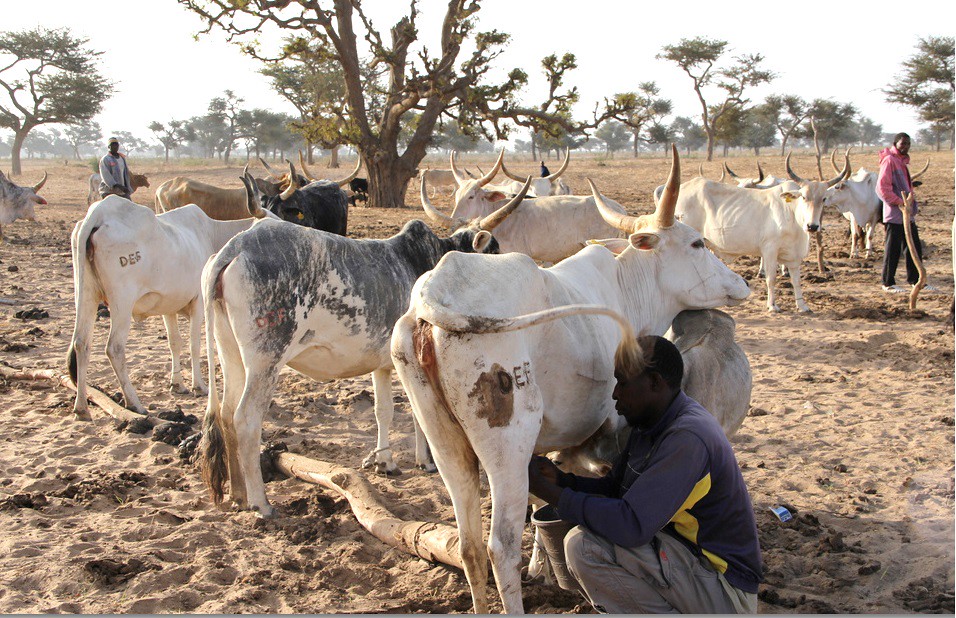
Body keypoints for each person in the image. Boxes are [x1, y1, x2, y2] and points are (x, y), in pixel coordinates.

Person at [528, 335, 762, 614]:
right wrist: (563, 481)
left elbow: (631, 525)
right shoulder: (653, 421)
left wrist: (549, 493)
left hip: (725, 591)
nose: (615, 393)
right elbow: (616, 489)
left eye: (623, 382)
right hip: (689, 558)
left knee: (585, 547)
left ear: (654, 382)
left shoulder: (687, 438)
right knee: (588, 535)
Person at [878, 132, 925, 293]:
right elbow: (882, 188)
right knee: (893, 250)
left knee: (914, 247)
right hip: (895, 214)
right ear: (896, 143)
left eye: (908, 144)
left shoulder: (901, 162)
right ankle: (887, 283)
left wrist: (909, 206)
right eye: (902, 143)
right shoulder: (889, 160)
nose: (905, 146)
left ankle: (916, 281)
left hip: (907, 213)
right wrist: (900, 202)